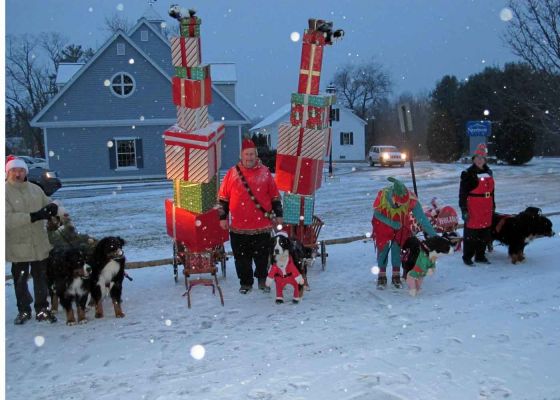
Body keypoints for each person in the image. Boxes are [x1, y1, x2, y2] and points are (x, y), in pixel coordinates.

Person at [218, 138, 283, 294]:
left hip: (262, 227)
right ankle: (246, 283)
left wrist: (279, 214)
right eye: (247, 154)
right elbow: (223, 198)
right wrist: (222, 218)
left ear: (256, 155)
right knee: (241, 259)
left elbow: (274, 196)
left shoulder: (265, 172)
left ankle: (262, 280)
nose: (249, 157)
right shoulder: (231, 174)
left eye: (252, 154)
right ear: (241, 155)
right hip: (238, 228)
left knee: (262, 258)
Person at [5, 155, 59, 324]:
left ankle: (42, 308)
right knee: (20, 280)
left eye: (21, 170)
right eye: (14, 170)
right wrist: (33, 216)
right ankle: (24, 310)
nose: (18, 174)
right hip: (18, 244)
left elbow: (49, 203)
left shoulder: (35, 189)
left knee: (41, 279)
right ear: (8, 172)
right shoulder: (4, 191)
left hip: (39, 243)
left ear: (26, 172)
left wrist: (53, 209)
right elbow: (6, 219)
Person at [371, 177, 437, 289]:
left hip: (401, 224)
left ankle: (395, 275)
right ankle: (381, 276)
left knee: (396, 248)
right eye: (398, 203)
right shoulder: (383, 195)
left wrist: (435, 237)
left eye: (403, 203)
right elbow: (376, 214)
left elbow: (422, 219)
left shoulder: (411, 199)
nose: (400, 205)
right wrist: (390, 222)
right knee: (383, 249)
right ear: (393, 196)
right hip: (382, 224)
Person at [459, 143, 495, 266]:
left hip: (487, 207)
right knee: (471, 234)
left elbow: (492, 192)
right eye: (477, 158)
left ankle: (480, 255)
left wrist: (493, 206)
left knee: (484, 233)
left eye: (482, 158)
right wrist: (464, 209)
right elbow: (462, 194)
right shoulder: (467, 174)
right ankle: (467, 257)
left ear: (485, 160)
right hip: (473, 207)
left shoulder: (489, 172)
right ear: (473, 159)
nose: (480, 160)